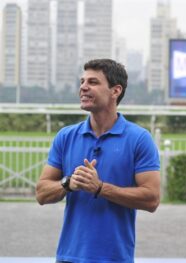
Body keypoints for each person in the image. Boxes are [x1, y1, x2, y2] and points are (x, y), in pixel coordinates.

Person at [36, 58, 161, 263]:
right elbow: (41, 193)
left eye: (93, 82)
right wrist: (68, 183)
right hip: (68, 257)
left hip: (115, 258)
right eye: (82, 81)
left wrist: (100, 188)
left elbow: (152, 199)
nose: (83, 87)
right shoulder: (65, 136)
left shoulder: (139, 139)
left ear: (115, 91)